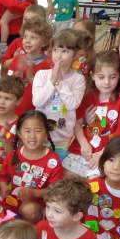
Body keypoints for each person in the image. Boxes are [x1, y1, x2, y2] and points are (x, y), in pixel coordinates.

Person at [64, 50, 120, 178]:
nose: (107, 82)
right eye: (101, 77)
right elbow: (77, 122)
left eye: (112, 77)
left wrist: (103, 153)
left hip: (108, 153)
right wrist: (84, 143)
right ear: (92, 75)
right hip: (82, 148)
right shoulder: (88, 94)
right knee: (67, 177)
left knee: (94, 184)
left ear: (119, 75)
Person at [0, 111, 63, 223]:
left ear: (46, 134)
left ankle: (30, 230)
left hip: (35, 206)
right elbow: (3, 177)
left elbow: (55, 190)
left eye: (38, 131)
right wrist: (3, 187)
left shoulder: (53, 161)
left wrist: (35, 193)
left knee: (30, 210)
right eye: (27, 131)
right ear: (19, 133)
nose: (32, 136)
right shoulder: (13, 155)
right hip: (11, 202)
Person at [32, 29, 86, 159]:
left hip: (62, 139)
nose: (59, 55)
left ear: (74, 55)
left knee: (56, 166)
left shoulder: (78, 79)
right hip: (39, 135)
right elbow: (37, 102)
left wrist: (60, 83)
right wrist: (52, 81)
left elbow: (72, 104)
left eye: (65, 51)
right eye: (56, 50)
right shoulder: (41, 75)